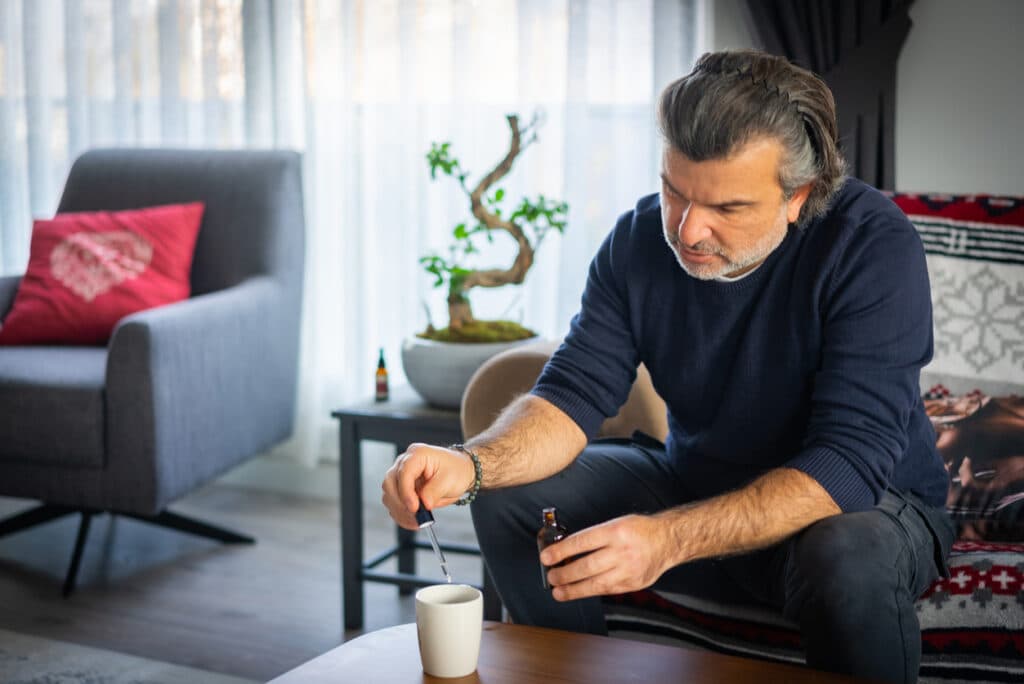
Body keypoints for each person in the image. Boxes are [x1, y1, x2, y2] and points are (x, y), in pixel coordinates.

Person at [381, 49, 954, 683]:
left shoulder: (872, 243)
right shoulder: (636, 242)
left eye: (727, 209)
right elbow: (570, 395)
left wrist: (667, 540)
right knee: (507, 494)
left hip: (869, 506)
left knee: (843, 551)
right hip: (696, 478)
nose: (686, 230)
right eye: (673, 191)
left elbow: (848, 464)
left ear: (799, 196)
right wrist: (472, 462)